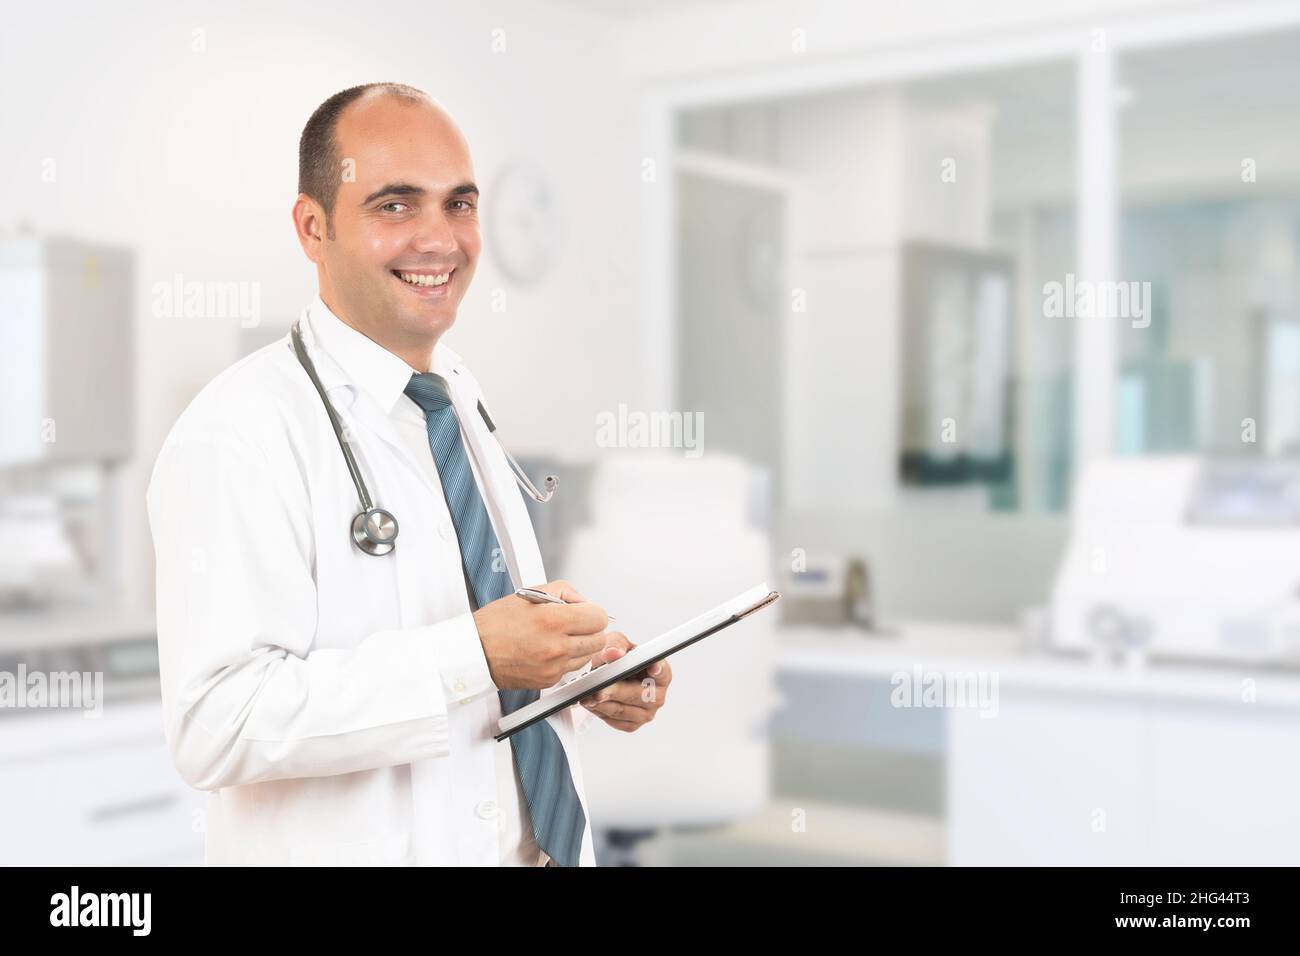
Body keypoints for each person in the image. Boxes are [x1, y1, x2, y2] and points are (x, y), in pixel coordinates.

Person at [146, 82, 672, 866]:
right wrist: (476, 655)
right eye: (396, 205)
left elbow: (475, 684)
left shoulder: (456, 395)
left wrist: (576, 674)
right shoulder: (239, 431)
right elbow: (214, 724)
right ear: (312, 227)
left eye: (459, 205)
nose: (441, 240)